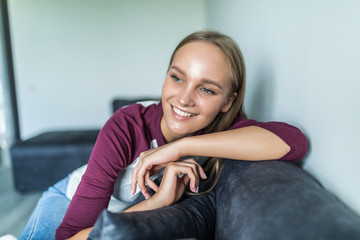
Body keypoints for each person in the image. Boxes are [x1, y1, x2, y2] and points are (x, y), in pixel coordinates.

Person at [19, 30, 308, 240]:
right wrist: (154, 205)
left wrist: (180, 147)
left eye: (206, 89)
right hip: (68, 200)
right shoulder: (128, 125)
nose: (184, 99)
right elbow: (69, 237)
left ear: (228, 102)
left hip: (115, 217)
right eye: (177, 78)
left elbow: (294, 141)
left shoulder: (226, 133)